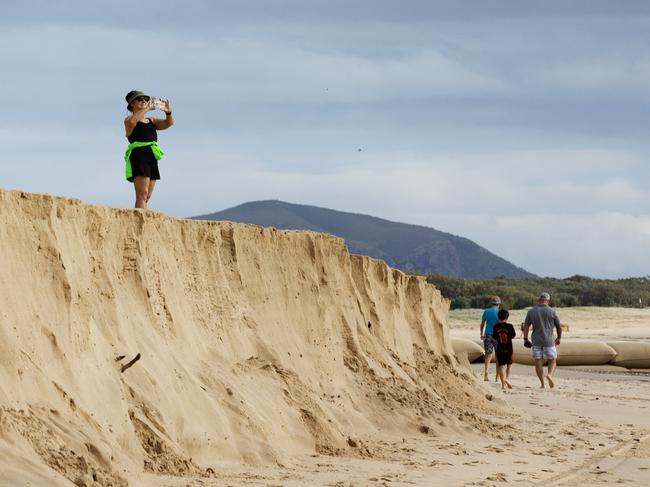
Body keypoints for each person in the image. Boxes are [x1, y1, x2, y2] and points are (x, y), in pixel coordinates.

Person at [124, 90, 174, 209]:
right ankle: (139, 220)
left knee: (148, 195)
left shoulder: (151, 120)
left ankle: (143, 218)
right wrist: (149, 107)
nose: (144, 101)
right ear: (132, 104)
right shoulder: (129, 119)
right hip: (139, 155)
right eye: (140, 99)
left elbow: (169, 123)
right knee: (142, 194)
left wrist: (168, 112)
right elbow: (132, 121)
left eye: (145, 99)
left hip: (151, 155)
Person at [522, 292, 562, 388]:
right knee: (552, 360)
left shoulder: (531, 311)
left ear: (539, 300)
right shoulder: (553, 311)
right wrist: (559, 338)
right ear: (547, 301)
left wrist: (525, 338)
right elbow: (559, 327)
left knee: (538, 361)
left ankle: (542, 384)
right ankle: (549, 375)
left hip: (536, 340)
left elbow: (526, 326)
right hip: (549, 340)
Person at [492, 309, 516, 389]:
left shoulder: (495, 327)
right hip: (509, 349)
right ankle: (507, 379)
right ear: (507, 317)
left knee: (501, 366)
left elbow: (494, 338)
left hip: (500, 349)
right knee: (509, 365)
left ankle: (502, 385)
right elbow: (513, 336)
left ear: (498, 317)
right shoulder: (510, 326)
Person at [479, 296, 501, 382]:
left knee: (488, 354)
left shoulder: (486, 311)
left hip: (487, 334)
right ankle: (497, 377)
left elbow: (482, 324)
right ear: (499, 304)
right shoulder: (500, 312)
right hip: (497, 336)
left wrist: (481, 333)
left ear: (491, 303)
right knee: (498, 356)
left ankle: (486, 373)